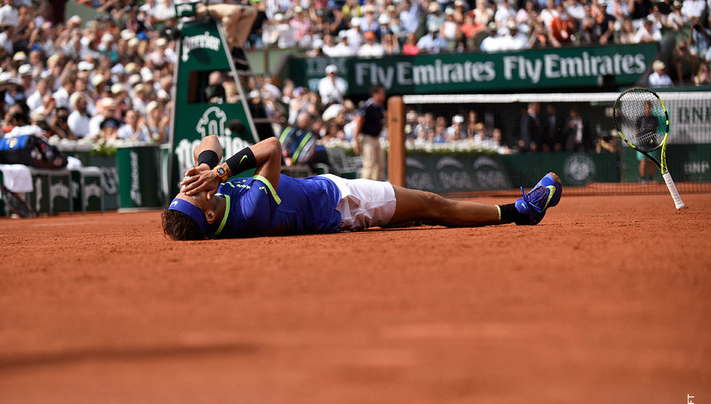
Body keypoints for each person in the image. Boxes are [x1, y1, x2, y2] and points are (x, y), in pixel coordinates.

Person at [161, 134, 563, 240]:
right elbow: (271, 149)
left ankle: (518, 211)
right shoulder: (248, 213)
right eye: (191, 193)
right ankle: (521, 212)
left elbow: (209, 144)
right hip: (343, 204)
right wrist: (222, 174)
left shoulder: (209, 199)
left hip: (328, 191)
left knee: (422, 210)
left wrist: (206, 167)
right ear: (210, 214)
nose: (187, 186)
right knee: (431, 203)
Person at [352, 85, 386, 181]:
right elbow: (358, 121)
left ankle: (377, 190)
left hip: (376, 138)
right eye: (382, 93)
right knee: (369, 164)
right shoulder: (368, 106)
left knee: (380, 165)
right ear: (375, 94)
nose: (384, 95)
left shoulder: (380, 107)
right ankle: (363, 191)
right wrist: (356, 140)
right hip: (367, 138)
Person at [636, 99, 658, 183]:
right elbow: (636, 131)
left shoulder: (654, 119)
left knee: (652, 162)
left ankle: (651, 179)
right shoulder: (640, 119)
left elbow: (655, 130)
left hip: (652, 144)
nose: (647, 108)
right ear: (644, 108)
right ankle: (643, 179)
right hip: (642, 144)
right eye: (646, 107)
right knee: (643, 162)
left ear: (651, 108)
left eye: (649, 107)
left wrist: (651, 140)